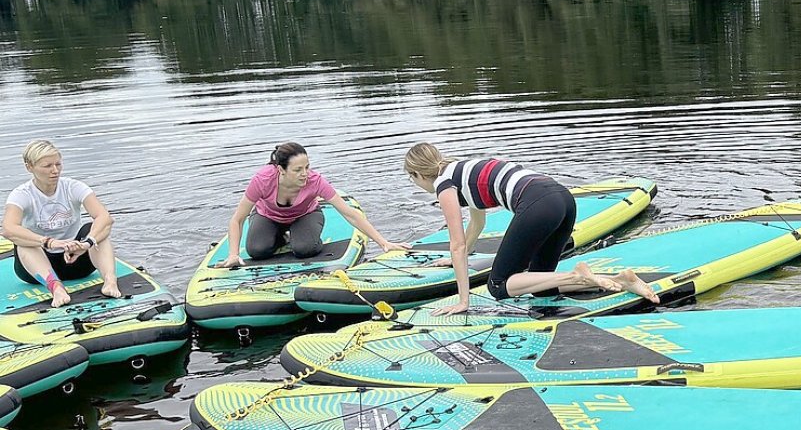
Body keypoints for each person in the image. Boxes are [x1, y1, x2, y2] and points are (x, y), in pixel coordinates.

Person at [401, 143, 659, 316]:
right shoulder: (462, 170)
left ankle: (578, 275)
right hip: (563, 199)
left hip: (539, 205)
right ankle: (620, 280)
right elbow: (478, 222)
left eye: (411, 180)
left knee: (499, 286)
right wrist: (458, 257)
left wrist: (463, 301)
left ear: (416, 174)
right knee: (539, 285)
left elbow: (456, 244)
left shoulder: (443, 185)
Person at [218, 143, 402, 268]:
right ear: (281, 170)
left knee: (304, 249)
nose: (305, 173)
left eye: (307, 167)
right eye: (298, 170)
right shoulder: (262, 180)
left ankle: (302, 235)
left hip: (305, 215)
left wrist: (384, 243)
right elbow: (238, 219)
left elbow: (349, 214)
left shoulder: (315, 180)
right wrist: (233, 254)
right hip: (267, 216)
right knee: (257, 251)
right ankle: (281, 237)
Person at [3, 140, 123, 308]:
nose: (55, 171)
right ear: (29, 167)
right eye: (47, 166)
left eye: (58, 164)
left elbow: (105, 218)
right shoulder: (21, 194)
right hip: (37, 268)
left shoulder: (73, 187)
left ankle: (110, 282)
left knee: (95, 229)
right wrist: (49, 242)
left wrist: (86, 244)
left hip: (76, 260)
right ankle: (56, 288)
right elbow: (8, 229)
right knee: (23, 241)